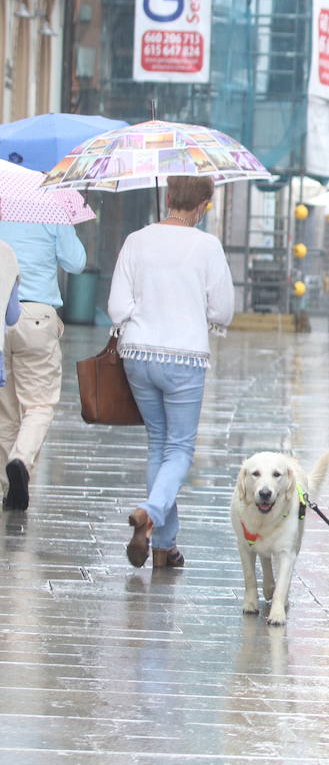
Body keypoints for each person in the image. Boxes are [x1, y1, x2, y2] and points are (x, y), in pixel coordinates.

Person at [108, 176, 234, 568]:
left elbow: (116, 307)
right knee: (179, 449)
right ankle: (150, 513)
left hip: (138, 354)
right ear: (203, 205)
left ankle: (164, 546)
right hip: (185, 358)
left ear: (167, 197)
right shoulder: (207, 246)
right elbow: (222, 311)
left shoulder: (135, 240)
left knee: (159, 446)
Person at [0, 213, 87, 510]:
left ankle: (6, 485)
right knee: (38, 404)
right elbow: (76, 262)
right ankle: (21, 460)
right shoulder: (51, 209)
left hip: (1, 312)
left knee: (6, 410)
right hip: (37, 316)